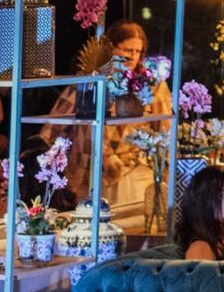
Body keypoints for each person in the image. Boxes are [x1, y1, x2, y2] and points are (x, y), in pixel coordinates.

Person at [47, 20, 174, 202]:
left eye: (137, 51)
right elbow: (57, 123)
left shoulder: (152, 85)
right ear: (111, 48)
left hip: (132, 171)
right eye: (126, 50)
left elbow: (166, 130)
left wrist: (166, 170)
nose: (132, 56)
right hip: (88, 171)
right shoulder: (89, 80)